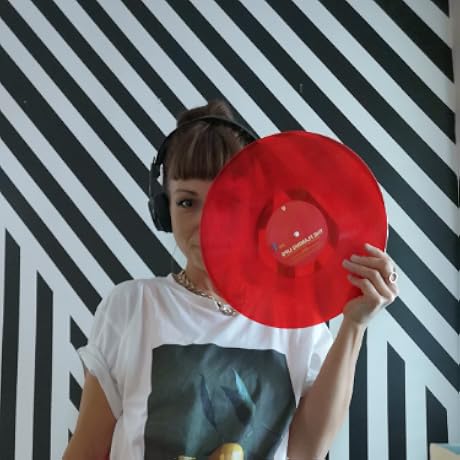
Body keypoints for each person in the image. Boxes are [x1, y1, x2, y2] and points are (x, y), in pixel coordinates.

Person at [63, 100, 399, 460]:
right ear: (164, 210)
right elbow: (86, 451)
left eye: (228, 201)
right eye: (187, 203)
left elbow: (306, 452)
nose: (207, 222)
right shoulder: (132, 306)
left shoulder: (296, 318)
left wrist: (354, 324)